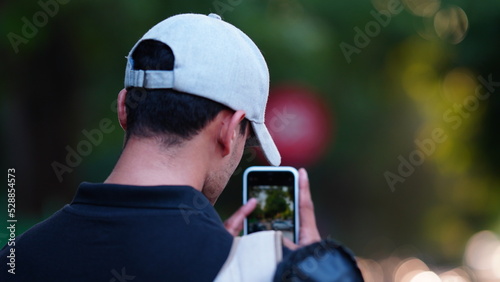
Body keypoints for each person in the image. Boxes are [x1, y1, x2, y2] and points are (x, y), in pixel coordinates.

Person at [0, 13, 362, 281]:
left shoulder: (16, 258)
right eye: (247, 139)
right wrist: (315, 268)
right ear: (230, 129)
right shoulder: (263, 271)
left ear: (124, 107)